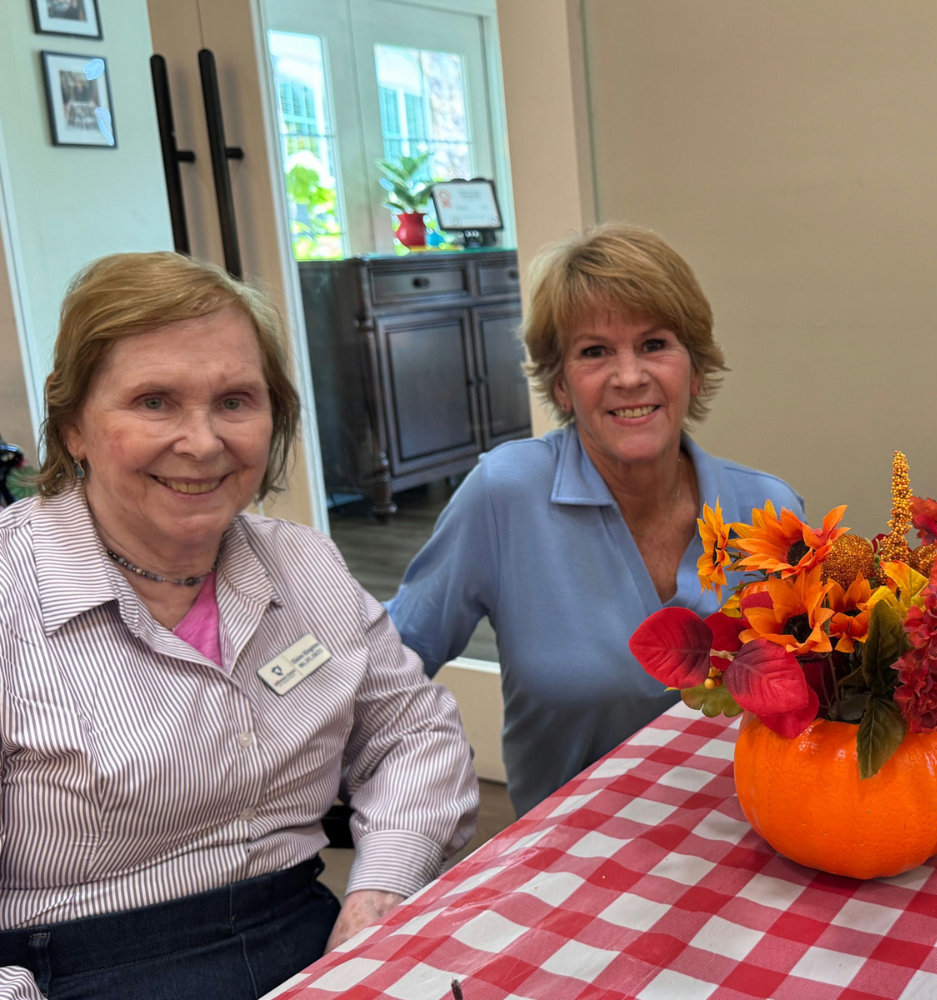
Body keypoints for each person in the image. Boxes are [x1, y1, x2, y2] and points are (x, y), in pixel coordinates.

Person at [0, 253, 479, 1000]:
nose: (201, 442)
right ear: (74, 430)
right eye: (154, 402)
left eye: (235, 401)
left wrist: (379, 891)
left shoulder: (304, 564)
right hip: (76, 968)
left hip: (307, 931)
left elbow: (412, 735)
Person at [389, 224, 804, 816]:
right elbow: (391, 668)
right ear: (560, 384)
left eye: (655, 344)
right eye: (594, 352)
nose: (629, 376)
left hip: (745, 841)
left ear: (697, 369)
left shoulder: (770, 512)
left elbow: (809, 696)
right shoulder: (504, 496)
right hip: (562, 861)